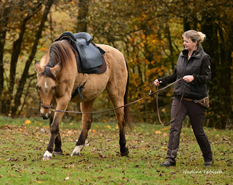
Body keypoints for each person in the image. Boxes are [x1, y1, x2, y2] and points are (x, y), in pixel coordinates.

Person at [154, 30, 213, 167]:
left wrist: (193, 78)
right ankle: (170, 159)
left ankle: (208, 158)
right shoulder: (181, 55)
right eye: (184, 41)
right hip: (179, 99)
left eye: (186, 41)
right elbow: (176, 75)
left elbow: (207, 78)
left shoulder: (204, 58)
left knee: (198, 131)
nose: (184, 43)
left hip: (196, 100)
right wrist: (161, 81)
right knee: (174, 128)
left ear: (195, 42)